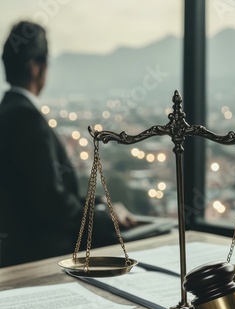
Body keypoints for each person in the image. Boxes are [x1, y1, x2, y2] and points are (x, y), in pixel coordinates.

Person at [0, 20, 136, 268]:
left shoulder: (6, 113)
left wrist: (98, 204)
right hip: (39, 256)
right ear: (36, 68)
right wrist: (107, 219)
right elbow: (51, 204)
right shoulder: (26, 118)